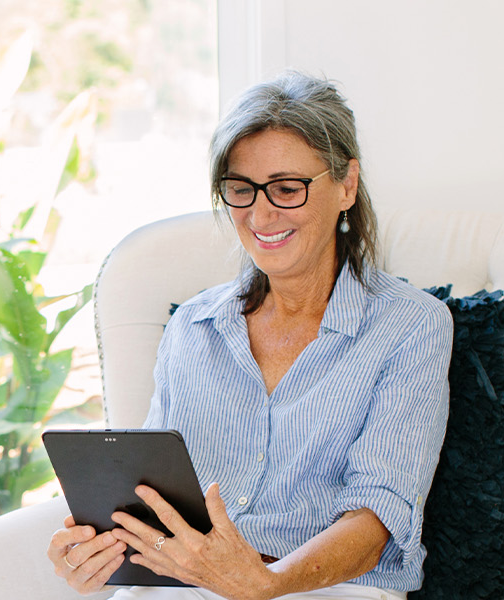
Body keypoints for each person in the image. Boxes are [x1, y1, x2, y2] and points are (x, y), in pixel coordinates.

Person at [46, 72, 453, 600]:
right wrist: (93, 549)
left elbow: (379, 517)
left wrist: (266, 583)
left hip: (326, 587)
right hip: (181, 583)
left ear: (346, 185)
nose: (261, 215)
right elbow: (148, 491)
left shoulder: (412, 325)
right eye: (241, 190)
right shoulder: (193, 326)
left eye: (287, 189)